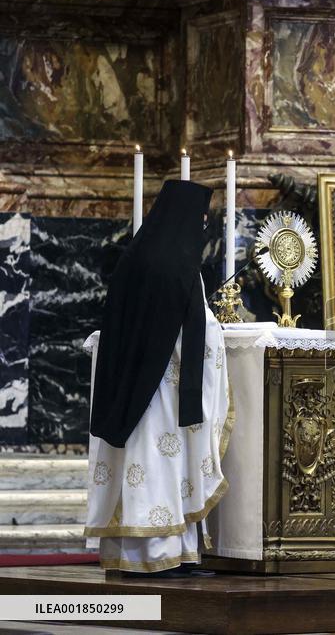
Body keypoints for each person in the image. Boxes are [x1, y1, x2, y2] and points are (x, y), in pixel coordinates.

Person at [86, 180, 231, 576]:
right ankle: (162, 555)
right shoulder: (182, 265)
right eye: (201, 218)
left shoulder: (134, 256)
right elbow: (199, 334)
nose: (203, 226)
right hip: (164, 392)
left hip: (130, 386)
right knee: (163, 470)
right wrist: (220, 331)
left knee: (138, 465)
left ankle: (140, 553)